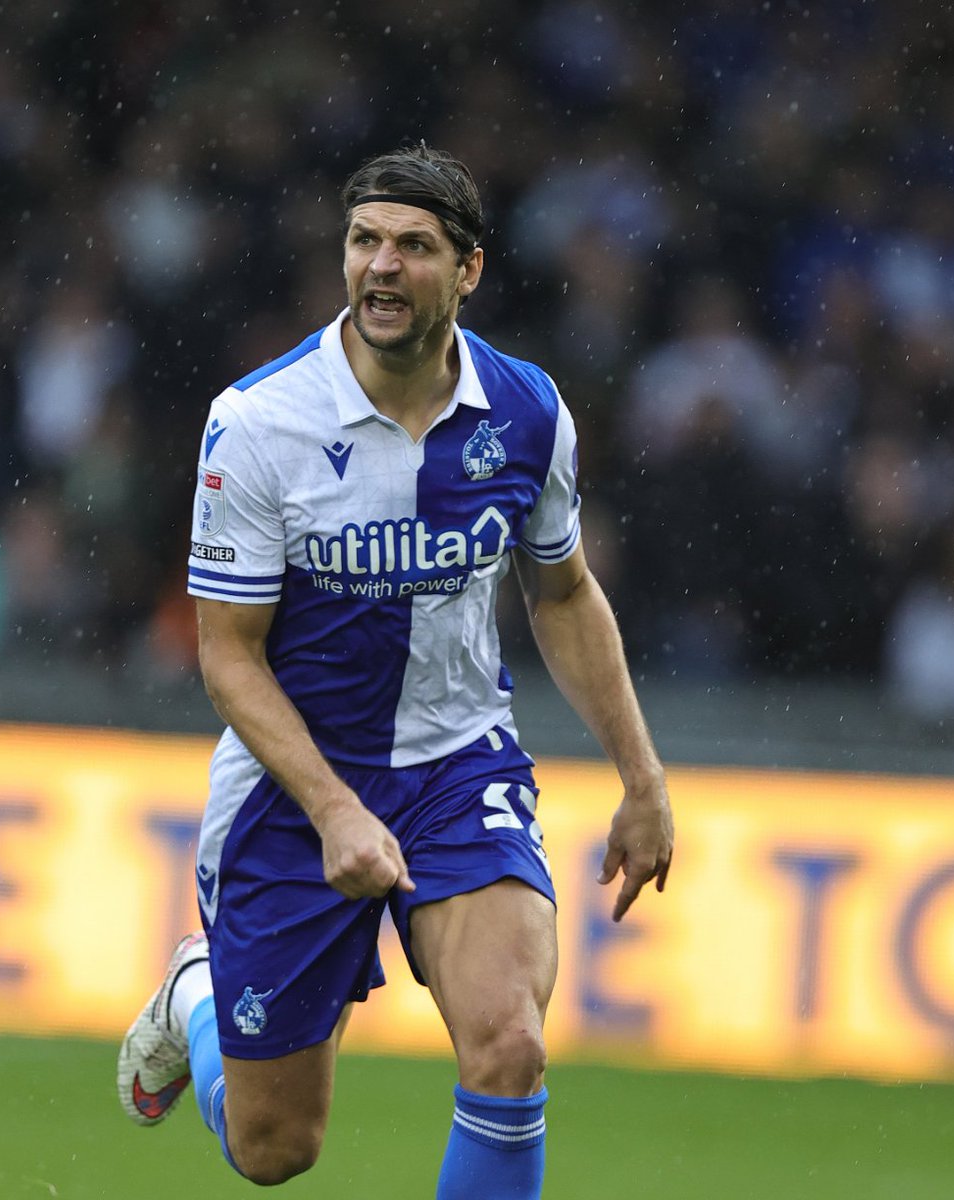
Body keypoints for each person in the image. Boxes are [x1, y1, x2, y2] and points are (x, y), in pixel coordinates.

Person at [116, 143, 674, 1198]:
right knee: (275, 1150)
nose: (381, 266)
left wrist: (643, 780)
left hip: (458, 765)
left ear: (468, 272)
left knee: (511, 1046)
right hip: (294, 788)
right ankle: (198, 992)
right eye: (364, 241)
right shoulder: (259, 421)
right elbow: (227, 658)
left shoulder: (526, 412)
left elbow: (563, 595)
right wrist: (332, 809)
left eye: (413, 247)